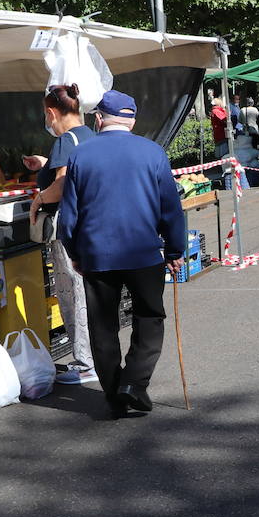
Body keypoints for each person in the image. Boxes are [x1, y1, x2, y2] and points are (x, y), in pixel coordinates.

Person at [59, 91, 187, 418]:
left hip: (97, 256)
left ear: (99, 118)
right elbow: (170, 209)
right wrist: (175, 249)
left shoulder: (80, 155)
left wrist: (74, 251)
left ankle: (115, 395)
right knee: (150, 317)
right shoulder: (153, 152)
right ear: (132, 121)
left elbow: (69, 215)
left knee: (103, 326)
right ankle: (133, 382)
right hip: (144, 252)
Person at [22, 84, 97, 386]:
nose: (47, 121)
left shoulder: (66, 140)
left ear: (52, 112)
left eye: (46, 115)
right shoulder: (89, 135)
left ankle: (84, 363)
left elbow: (63, 184)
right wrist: (45, 165)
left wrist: (39, 199)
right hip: (90, 225)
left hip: (68, 228)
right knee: (88, 292)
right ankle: (95, 356)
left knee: (72, 292)